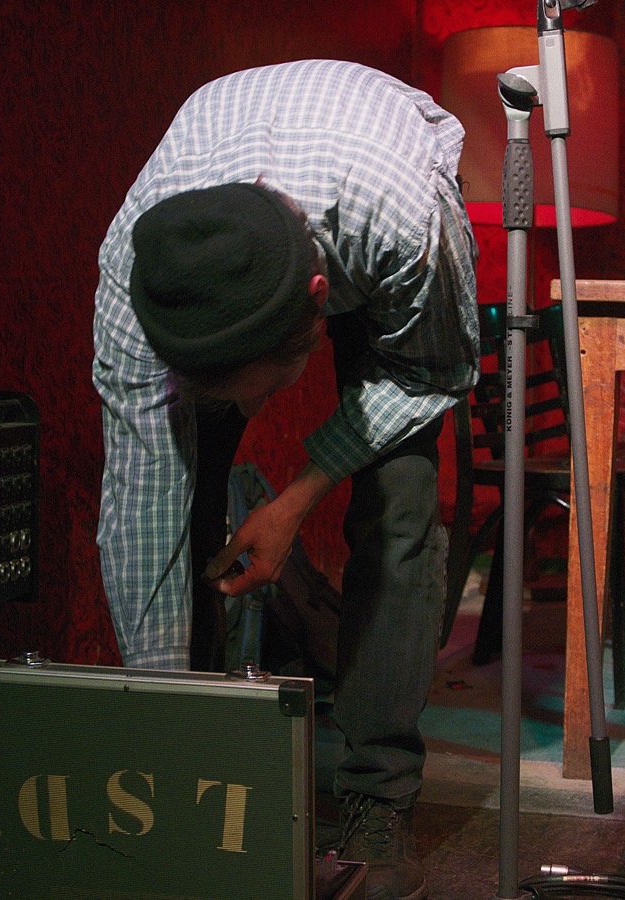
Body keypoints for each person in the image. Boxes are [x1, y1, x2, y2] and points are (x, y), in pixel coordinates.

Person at [93, 59, 479, 900]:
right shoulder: (137, 277)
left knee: (400, 504)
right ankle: (199, 772)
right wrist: (164, 719)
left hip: (369, 190)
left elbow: (434, 373)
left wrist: (294, 500)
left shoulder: (407, 223)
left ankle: (379, 796)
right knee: (184, 500)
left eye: (257, 388)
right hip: (238, 166)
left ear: (318, 299)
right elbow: (141, 505)